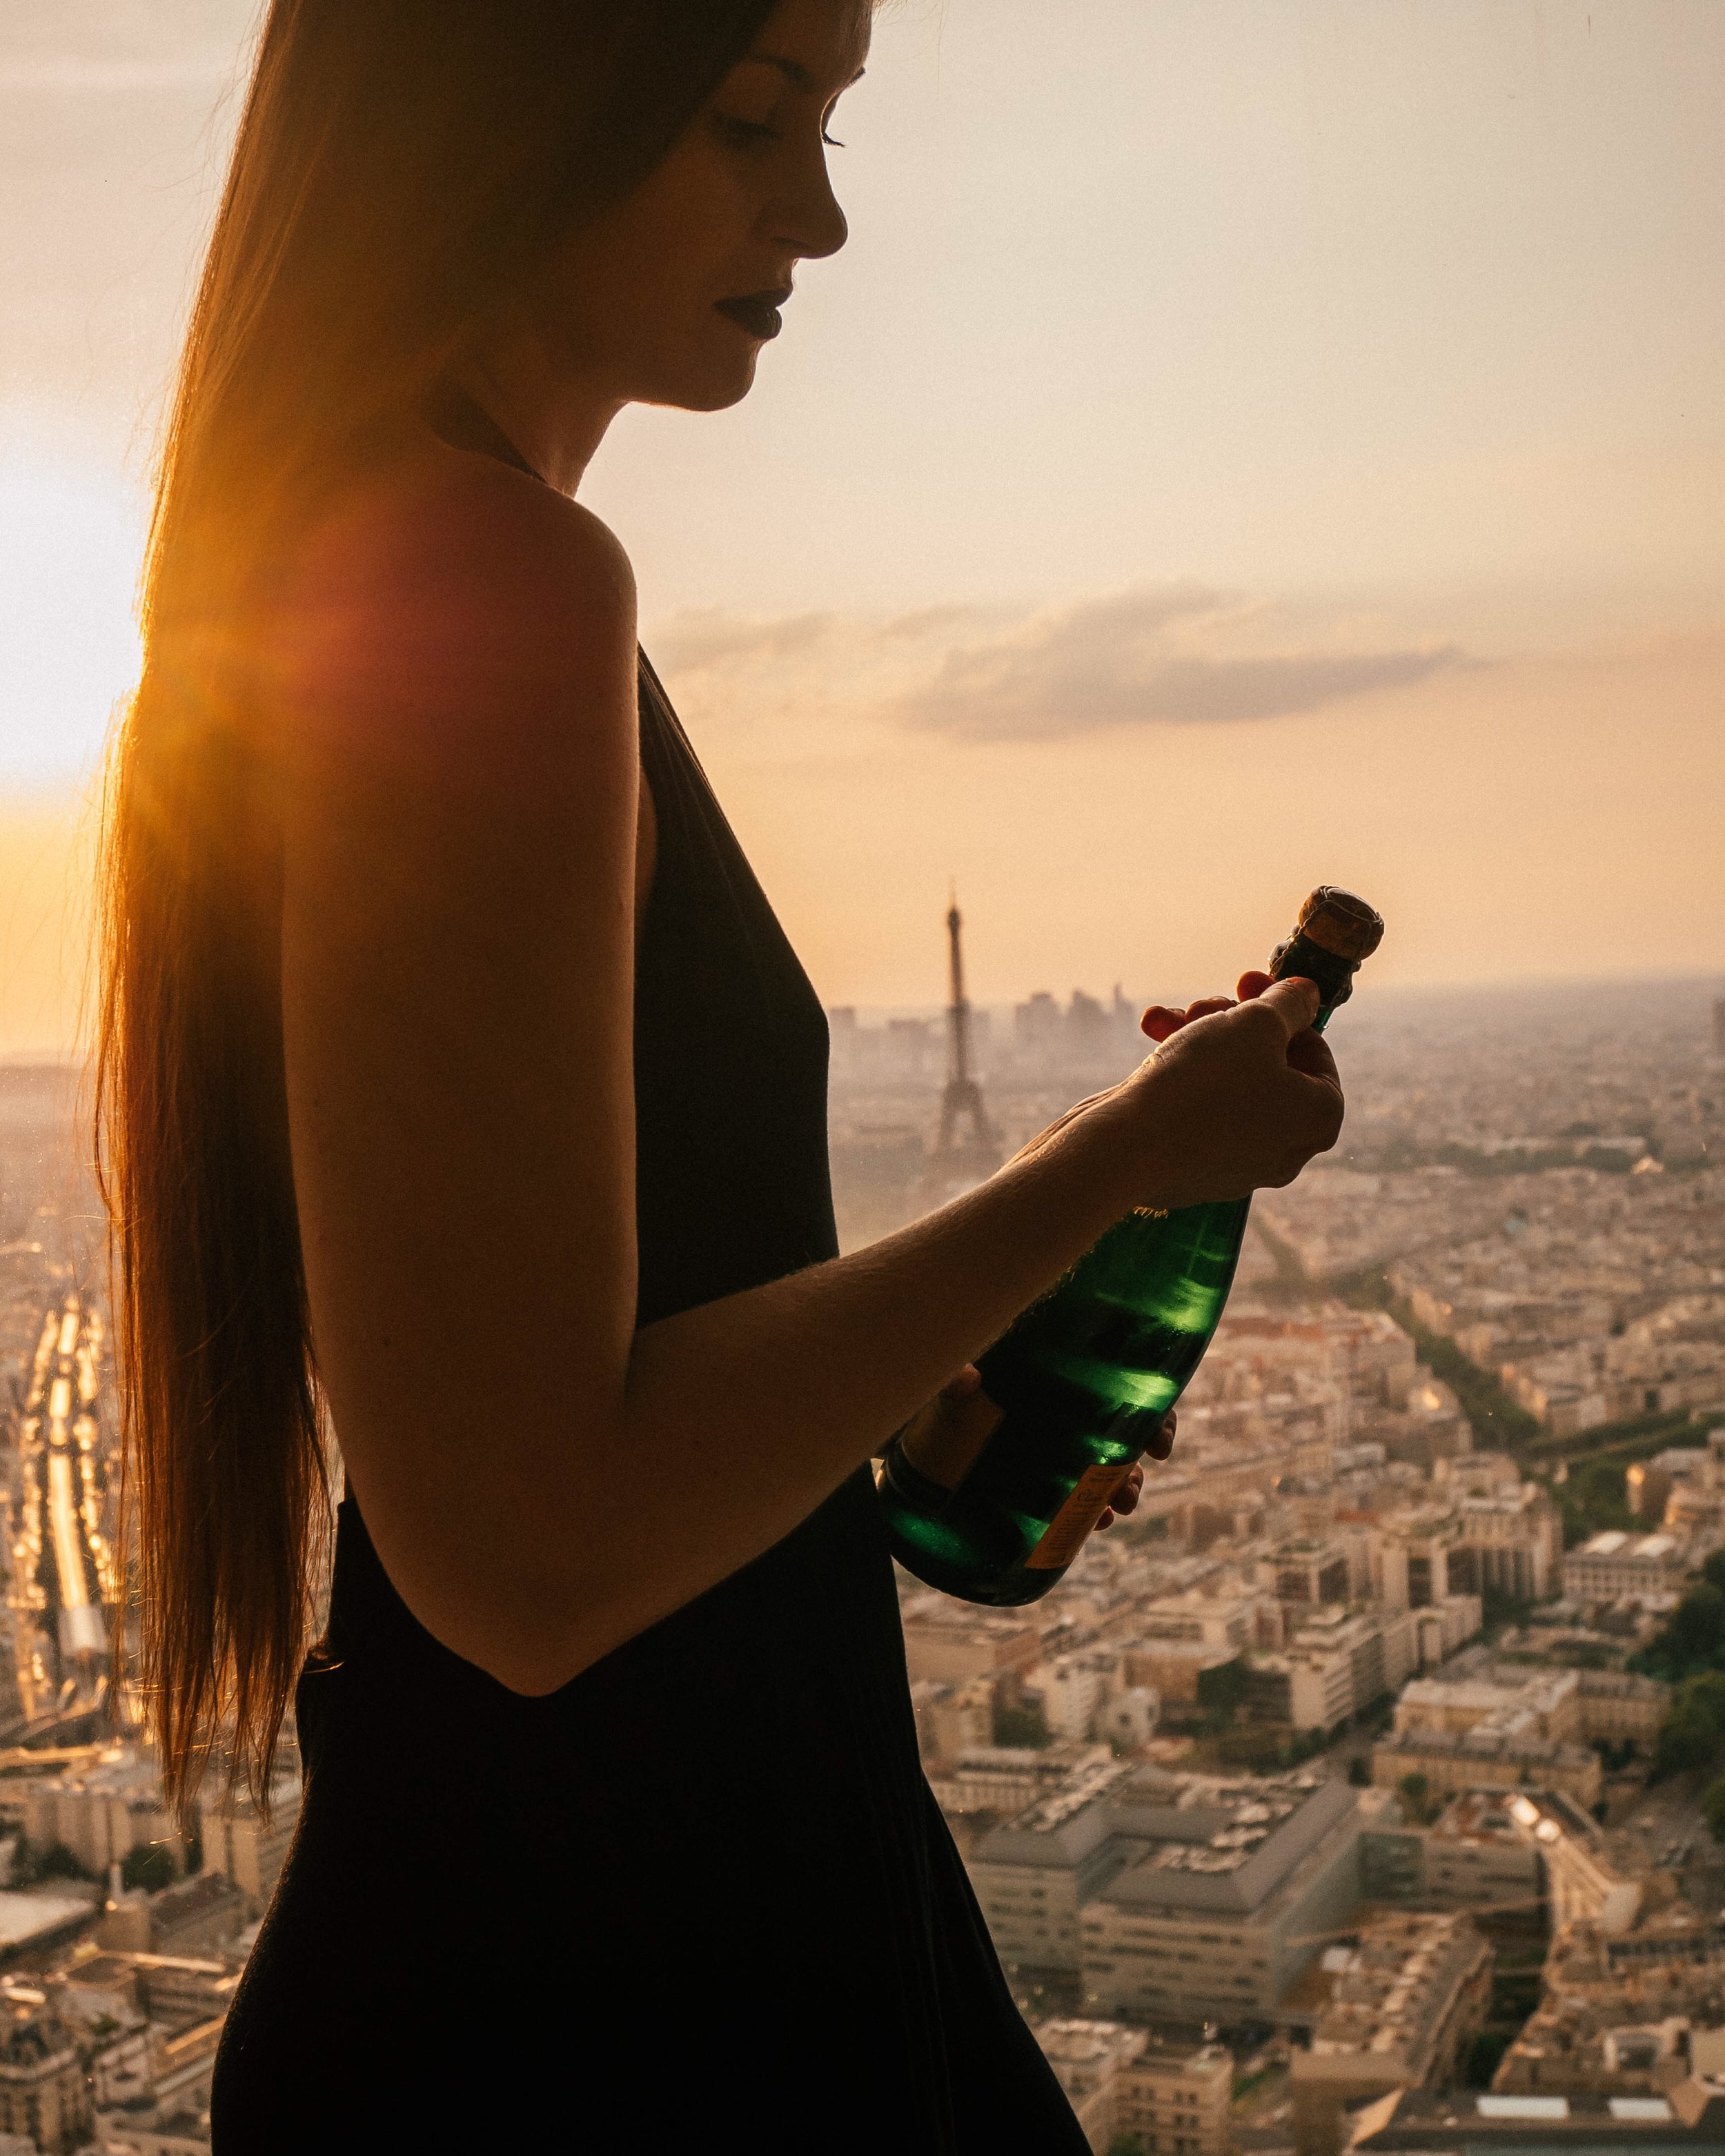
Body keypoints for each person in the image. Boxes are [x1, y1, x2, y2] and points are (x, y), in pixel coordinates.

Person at [97, 0, 1344, 2144]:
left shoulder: (353, 560)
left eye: (828, 122)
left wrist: (881, 1410)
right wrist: (1116, 1158)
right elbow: (523, 1554)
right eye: (753, 118)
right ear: (509, 111)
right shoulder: (477, 572)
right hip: (636, 1990)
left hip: (562, 1955)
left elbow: (535, 1422)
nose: (824, 214)